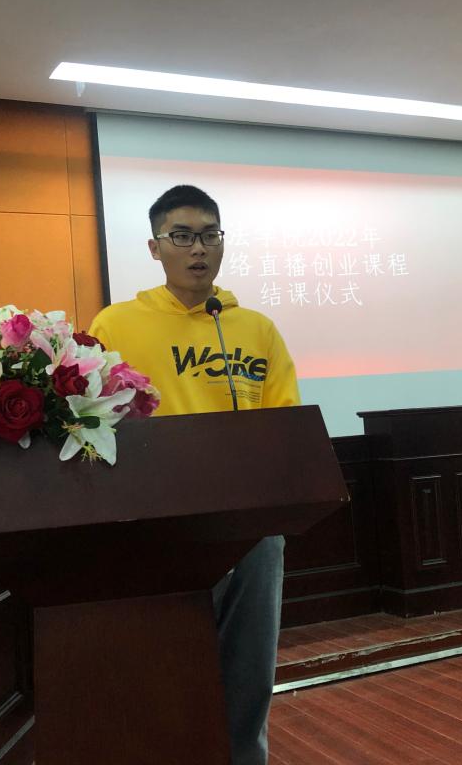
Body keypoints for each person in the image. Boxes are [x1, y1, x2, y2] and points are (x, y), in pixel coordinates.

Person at [88, 184, 299, 765]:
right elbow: (91, 420)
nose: (198, 249)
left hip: (251, 524)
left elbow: (284, 423)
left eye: (209, 235)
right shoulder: (115, 325)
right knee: (166, 664)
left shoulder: (255, 328)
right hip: (160, 523)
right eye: (181, 236)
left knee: (249, 669)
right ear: (155, 247)